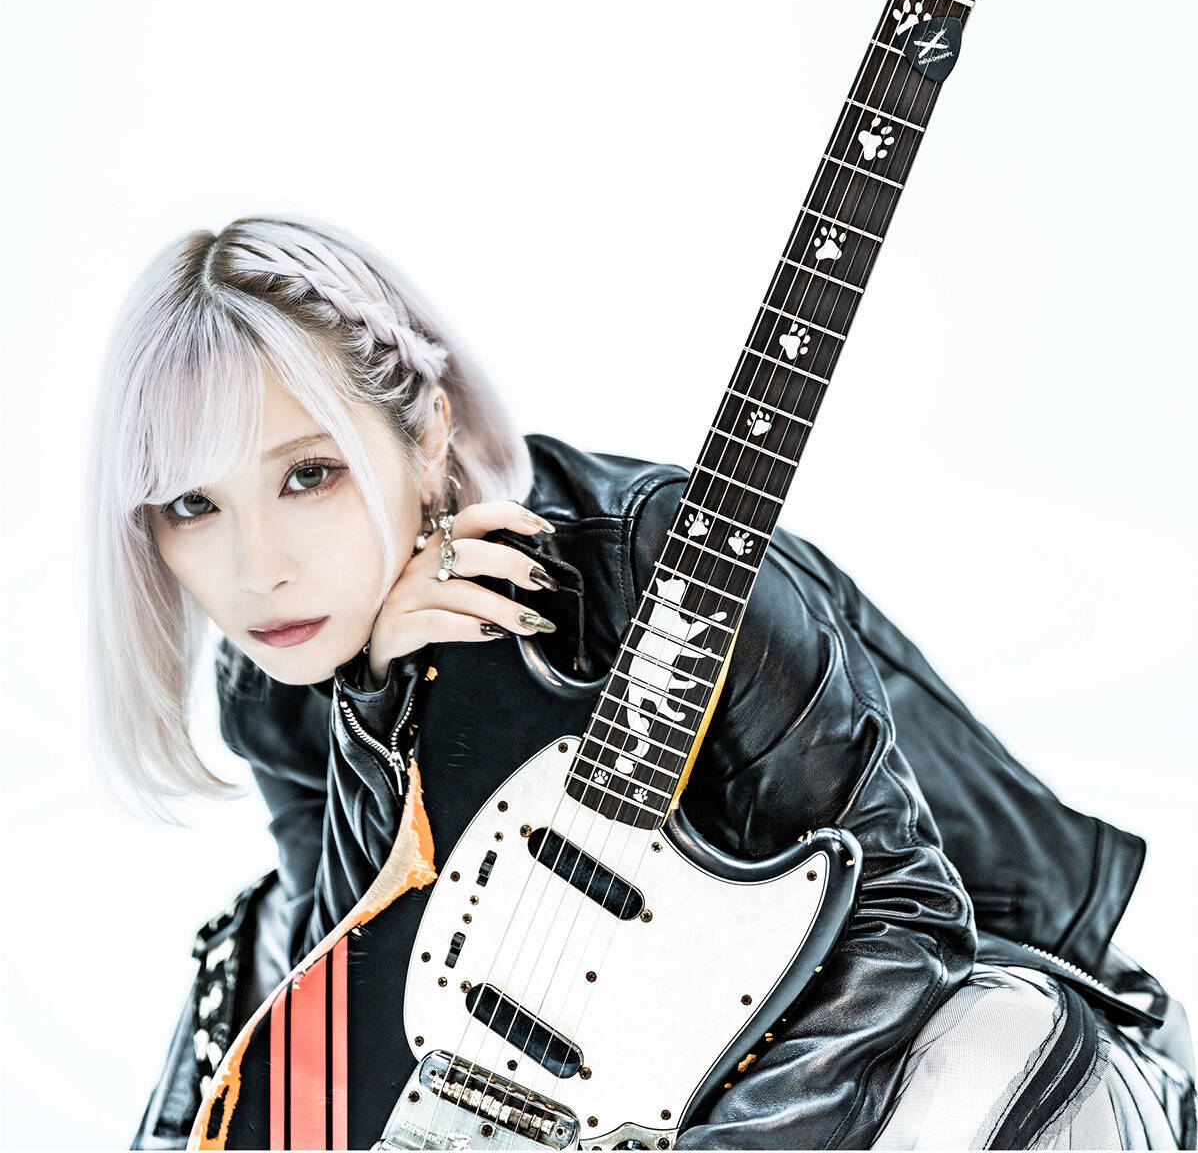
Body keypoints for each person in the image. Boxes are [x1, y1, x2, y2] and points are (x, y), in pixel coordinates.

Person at [88, 214, 1194, 1150]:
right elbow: (349, 1014)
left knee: (983, 1050)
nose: (257, 567)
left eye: (309, 475)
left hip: (958, 1011)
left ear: (425, 437)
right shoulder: (275, 681)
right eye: (193, 504)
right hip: (627, 1040)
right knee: (252, 963)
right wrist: (381, 717)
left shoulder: (662, 563)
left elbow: (903, 923)